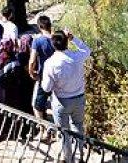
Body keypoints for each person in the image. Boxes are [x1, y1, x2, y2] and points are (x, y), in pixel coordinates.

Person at [40, 29, 91, 161]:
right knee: (78, 126)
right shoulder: (76, 57)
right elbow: (87, 50)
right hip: (79, 97)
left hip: (61, 100)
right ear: (66, 42)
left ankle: (68, 158)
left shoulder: (50, 63)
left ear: (53, 44)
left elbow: (46, 87)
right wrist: (74, 38)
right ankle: (80, 155)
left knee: (64, 132)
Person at [28, 15, 55, 121]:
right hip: (58, 75)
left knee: (36, 104)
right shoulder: (57, 39)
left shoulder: (37, 41)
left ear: (39, 26)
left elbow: (32, 60)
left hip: (43, 75)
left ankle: (43, 129)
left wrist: (32, 72)